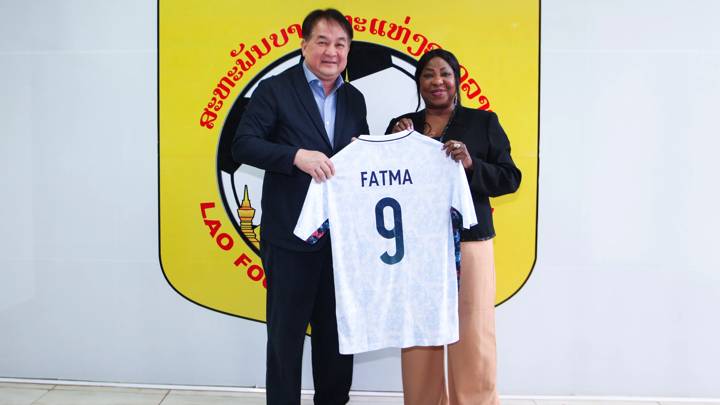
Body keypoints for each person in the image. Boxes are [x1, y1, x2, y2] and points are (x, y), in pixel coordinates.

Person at [232, 9, 369, 405]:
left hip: (341, 239)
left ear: (348, 50)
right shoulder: (275, 90)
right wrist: (295, 156)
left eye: (341, 44)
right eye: (323, 42)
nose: (332, 51)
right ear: (304, 43)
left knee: (337, 333)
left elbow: (356, 156)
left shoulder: (353, 97)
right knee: (286, 336)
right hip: (290, 235)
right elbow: (243, 144)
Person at [386, 49, 521, 405]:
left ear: (457, 79)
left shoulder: (483, 122)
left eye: (444, 74)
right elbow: (384, 184)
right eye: (428, 75)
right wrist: (395, 145)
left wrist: (472, 164)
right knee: (419, 332)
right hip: (415, 246)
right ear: (419, 83)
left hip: (470, 243)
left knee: (472, 331)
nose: (437, 82)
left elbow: (510, 178)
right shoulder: (401, 126)